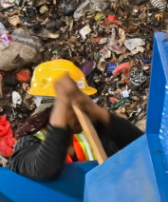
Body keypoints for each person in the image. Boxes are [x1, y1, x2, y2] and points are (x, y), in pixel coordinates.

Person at [7, 60, 143, 181]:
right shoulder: (28, 144)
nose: (82, 113)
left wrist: (99, 113)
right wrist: (62, 111)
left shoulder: (94, 132)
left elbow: (142, 145)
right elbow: (44, 170)